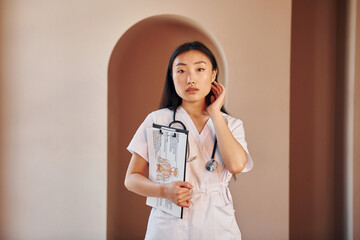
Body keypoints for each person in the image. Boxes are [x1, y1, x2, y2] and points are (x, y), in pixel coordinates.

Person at [124, 41, 253, 240]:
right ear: (172, 77)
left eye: (200, 69)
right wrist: (163, 190)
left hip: (217, 224)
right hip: (169, 225)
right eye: (181, 71)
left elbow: (236, 165)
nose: (190, 79)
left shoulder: (231, 124)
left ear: (213, 75)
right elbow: (131, 178)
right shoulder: (157, 120)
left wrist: (215, 114)